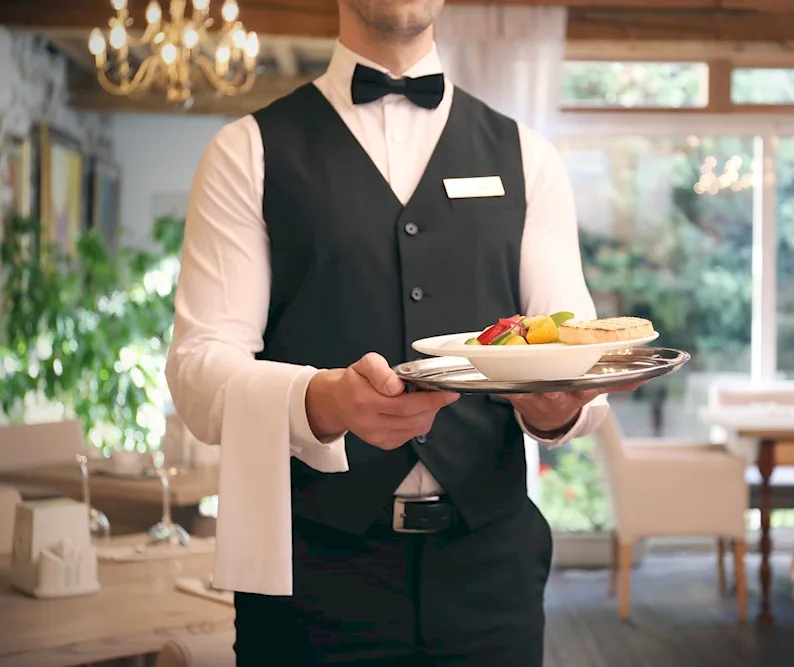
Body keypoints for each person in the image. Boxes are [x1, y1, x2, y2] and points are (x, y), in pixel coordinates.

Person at [166, 1, 641, 664]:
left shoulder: (529, 157)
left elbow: (573, 346)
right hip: (311, 575)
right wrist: (323, 399)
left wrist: (558, 406)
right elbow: (197, 371)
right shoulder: (247, 151)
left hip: (492, 571)